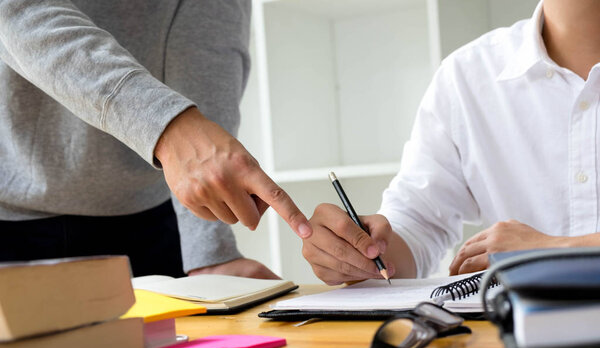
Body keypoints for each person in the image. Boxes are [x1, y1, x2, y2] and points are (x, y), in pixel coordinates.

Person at [0, 0, 311, 278]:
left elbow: (208, 50)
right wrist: (167, 126)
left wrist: (208, 251)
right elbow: (18, 11)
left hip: (148, 218)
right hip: (12, 209)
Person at [302, 0, 600, 285]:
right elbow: (418, 223)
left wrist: (555, 251)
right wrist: (358, 252)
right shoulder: (467, 76)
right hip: (519, 329)